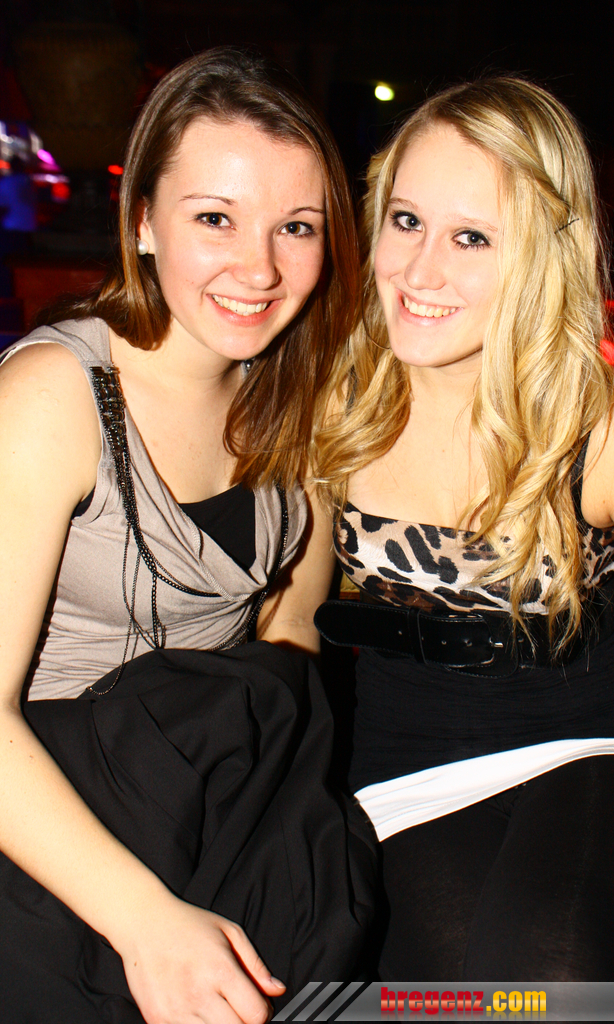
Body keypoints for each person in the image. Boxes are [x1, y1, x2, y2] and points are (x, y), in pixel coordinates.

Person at [0, 47, 373, 1023]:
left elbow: (286, 645)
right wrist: (149, 921)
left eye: (296, 226)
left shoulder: (298, 400)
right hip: (49, 818)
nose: (260, 268)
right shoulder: (53, 397)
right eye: (215, 218)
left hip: (213, 795)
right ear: (142, 223)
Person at [312, 77, 614, 981]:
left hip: (594, 750)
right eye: (406, 221)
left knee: (553, 975)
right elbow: (284, 637)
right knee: (448, 996)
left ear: (544, 255)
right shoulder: (330, 410)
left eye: (472, 237)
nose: (419, 271)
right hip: (399, 773)